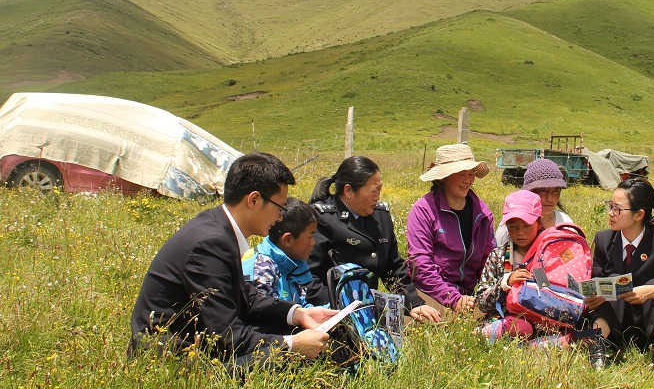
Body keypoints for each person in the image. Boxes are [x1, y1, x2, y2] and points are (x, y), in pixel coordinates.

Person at [129, 152, 333, 370]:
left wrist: (297, 314)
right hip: (174, 361)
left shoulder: (218, 228)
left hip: (197, 343)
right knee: (291, 357)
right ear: (254, 200)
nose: (280, 218)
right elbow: (227, 337)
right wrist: (292, 345)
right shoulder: (210, 244)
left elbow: (245, 296)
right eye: (280, 208)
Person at [306, 156, 442, 324]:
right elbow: (309, 276)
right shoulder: (323, 219)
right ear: (348, 191)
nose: (377, 196)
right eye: (373, 191)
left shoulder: (380, 216)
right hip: (334, 311)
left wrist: (414, 302)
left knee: (427, 324)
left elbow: (392, 267)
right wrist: (339, 310)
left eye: (380, 189)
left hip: (370, 308)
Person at [585, 177, 654, 370]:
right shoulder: (603, 240)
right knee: (610, 282)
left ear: (639, 215)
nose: (610, 213)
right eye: (610, 206)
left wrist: (653, 290)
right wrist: (593, 296)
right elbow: (595, 278)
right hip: (616, 327)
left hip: (652, 323)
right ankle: (598, 347)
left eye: (617, 209)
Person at [406, 143, 495, 314]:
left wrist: (486, 292)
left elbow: (489, 260)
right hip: (431, 292)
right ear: (444, 177)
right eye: (461, 174)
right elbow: (421, 264)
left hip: (469, 296)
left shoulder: (482, 213)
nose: (468, 180)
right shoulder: (423, 210)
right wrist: (453, 298)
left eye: (471, 174)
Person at [475, 190, 545, 341]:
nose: (520, 232)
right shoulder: (498, 256)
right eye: (513, 226)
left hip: (541, 323)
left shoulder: (548, 255)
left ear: (540, 223)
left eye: (527, 226)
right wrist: (505, 284)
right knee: (514, 326)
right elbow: (481, 302)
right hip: (503, 319)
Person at [242, 197, 319, 307]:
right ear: (288, 240)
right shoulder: (262, 267)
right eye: (310, 236)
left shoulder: (291, 263)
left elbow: (301, 304)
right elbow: (269, 314)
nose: (313, 242)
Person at [495, 158, 572, 246]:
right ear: (529, 191)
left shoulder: (566, 223)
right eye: (543, 190)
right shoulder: (510, 224)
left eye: (556, 190)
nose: (550, 198)